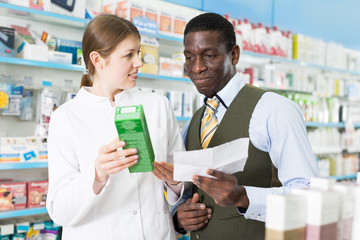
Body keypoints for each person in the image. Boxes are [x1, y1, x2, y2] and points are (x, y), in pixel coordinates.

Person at [173, 12, 319, 239]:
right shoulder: (193, 121)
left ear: (234, 54)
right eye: (189, 57)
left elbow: (308, 195)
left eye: (209, 55)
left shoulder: (274, 109)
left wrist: (243, 196)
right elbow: (188, 193)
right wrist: (180, 217)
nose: (197, 67)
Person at [46, 14, 186, 240]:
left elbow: (183, 186)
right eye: (129, 55)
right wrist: (97, 174)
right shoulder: (66, 118)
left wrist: (176, 181)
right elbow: (60, 212)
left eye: (138, 53)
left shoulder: (158, 105)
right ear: (98, 60)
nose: (139, 62)